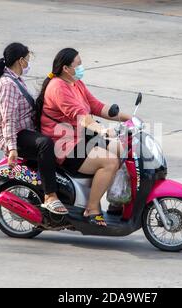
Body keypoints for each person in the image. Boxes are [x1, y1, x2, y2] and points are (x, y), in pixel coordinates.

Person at [38, 48, 132, 226]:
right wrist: (101, 130)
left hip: (80, 138)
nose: (81, 67)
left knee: (124, 149)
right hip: (64, 145)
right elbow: (81, 115)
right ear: (66, 68)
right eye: (78, 64)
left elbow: (95, 106)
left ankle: (116, 202)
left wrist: (129, 118)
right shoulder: (58, 87)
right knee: (110, 162)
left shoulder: (75, 83)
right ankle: (92, 209)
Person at [0, 42, 68, 215]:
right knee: (45, 144)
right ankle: (50, 196)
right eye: (28, 59)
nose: (29, 62)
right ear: (20, 61)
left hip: (21, 130)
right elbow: (9, 119)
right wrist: (12, 148)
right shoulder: (8, 85)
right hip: (11, 135)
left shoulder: (15, 79)